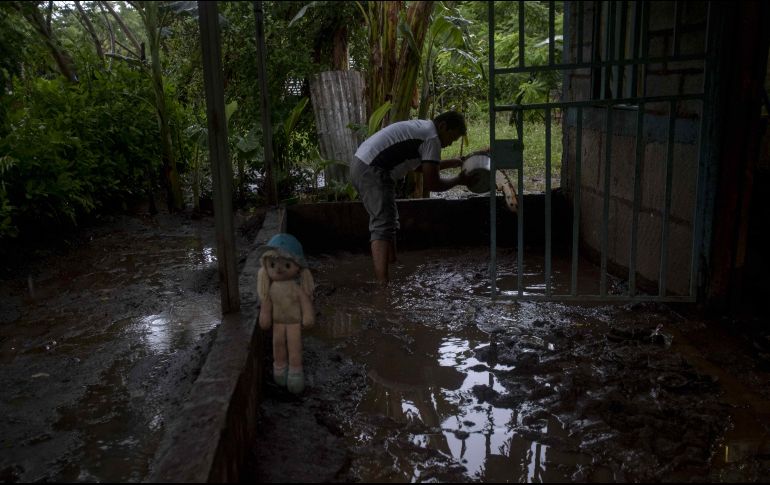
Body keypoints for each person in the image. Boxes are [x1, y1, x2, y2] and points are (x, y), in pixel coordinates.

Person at [351, 110, 473, 284]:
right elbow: (433, 184)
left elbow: (419, 167)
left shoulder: (424, 129)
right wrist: (459, 180)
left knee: (389, 219)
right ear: (443, 126)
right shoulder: (432, 138)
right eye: (451, 138)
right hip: (373, 170)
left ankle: (392, 262)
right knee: (382, 223)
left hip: (364, 164)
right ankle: (382, 283)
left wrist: (455, 162)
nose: (449, 144)